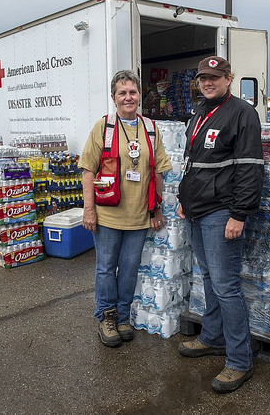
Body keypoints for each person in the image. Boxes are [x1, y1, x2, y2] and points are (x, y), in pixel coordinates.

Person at [176, 56, 264, 393]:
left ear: (229, 78)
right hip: (196, 210)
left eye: (214, 77)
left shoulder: (242, 113)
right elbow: (192, 164)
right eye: (203, 78)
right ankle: (212, 337)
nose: (207, 83)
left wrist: (239, 214)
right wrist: (185, 200)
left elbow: (250, 167)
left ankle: (240, 361)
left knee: (227, 286)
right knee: (209, 278)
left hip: (221, 212)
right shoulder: (200, 112)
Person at [79, 70, 172, 348]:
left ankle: (122, 317)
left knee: (130, 268)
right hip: (108, 214)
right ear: (114, 97)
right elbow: (87, 170)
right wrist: (89, 210)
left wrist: (156, 210)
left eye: (132, 92)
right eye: (122, 93)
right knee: (107, 268)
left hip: (139, 215)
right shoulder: (104, 127)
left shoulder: (151, 128)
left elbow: (160, 171)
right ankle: (106, 316)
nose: (128, 97)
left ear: (139, 96)